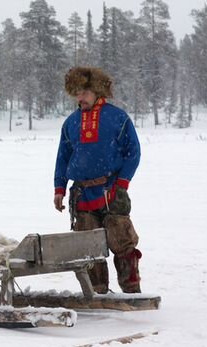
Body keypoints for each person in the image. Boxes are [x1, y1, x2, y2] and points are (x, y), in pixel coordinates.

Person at [53, 66, 142, 294]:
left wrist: (121, 184)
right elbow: (63, 158)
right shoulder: (71, 123)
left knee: (122, 242)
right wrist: (59, 188)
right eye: (76, 94)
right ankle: (98, 294)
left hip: (111, 190)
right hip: (82, 194)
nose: (79, 98)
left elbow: (134, 152)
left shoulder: (117, 118)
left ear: (96, 91)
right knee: (88, 247)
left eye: (83, 92)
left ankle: (132, 293)